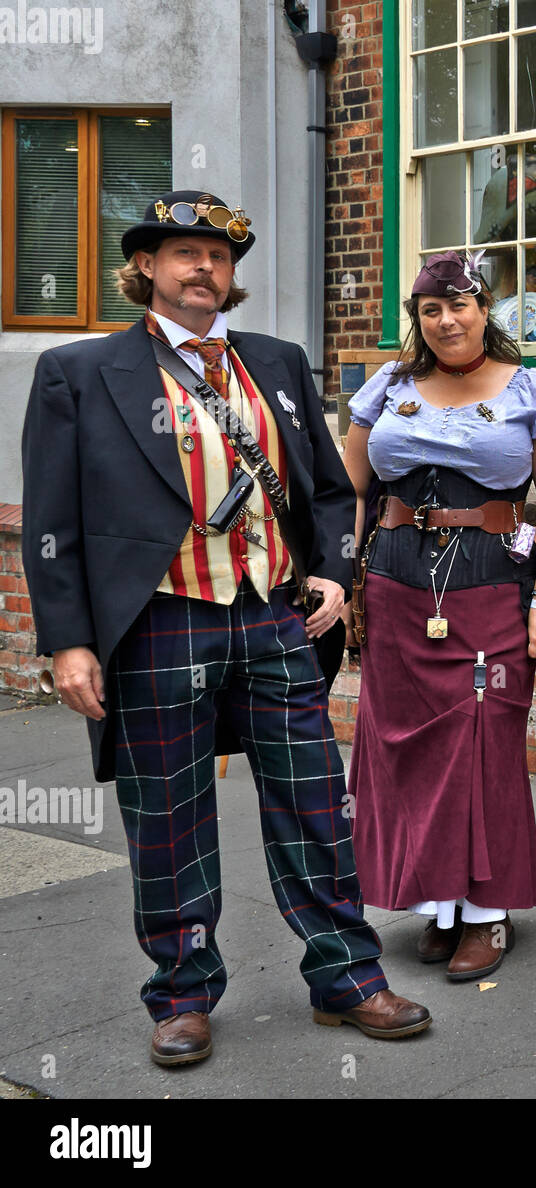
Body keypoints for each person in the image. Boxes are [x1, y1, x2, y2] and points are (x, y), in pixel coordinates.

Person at [20, 190, 431, 1067]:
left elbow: (327, 487)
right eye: (183, 253)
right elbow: (53, 518)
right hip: (161, 621)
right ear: (146, 269)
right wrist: (67, 640)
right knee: (168, 814)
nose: (203, 267)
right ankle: (180, 993)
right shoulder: (81, 373)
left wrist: (331, 569)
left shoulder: (277, 362)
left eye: (218, 255)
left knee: (316, 802)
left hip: (276, 616)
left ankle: (348, 977)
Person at [344, 250, 536, 982]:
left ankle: (488, 914)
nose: (446, 320)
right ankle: (439, 904)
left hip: (490, 585)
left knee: (482, 742)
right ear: (416, 318)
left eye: (460, 305)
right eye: (429, 309)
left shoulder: (530, 387)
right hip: (394, 584)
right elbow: (347, 488)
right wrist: (340, 583)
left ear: (486, 310)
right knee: (405, 750)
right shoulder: (387, 384)